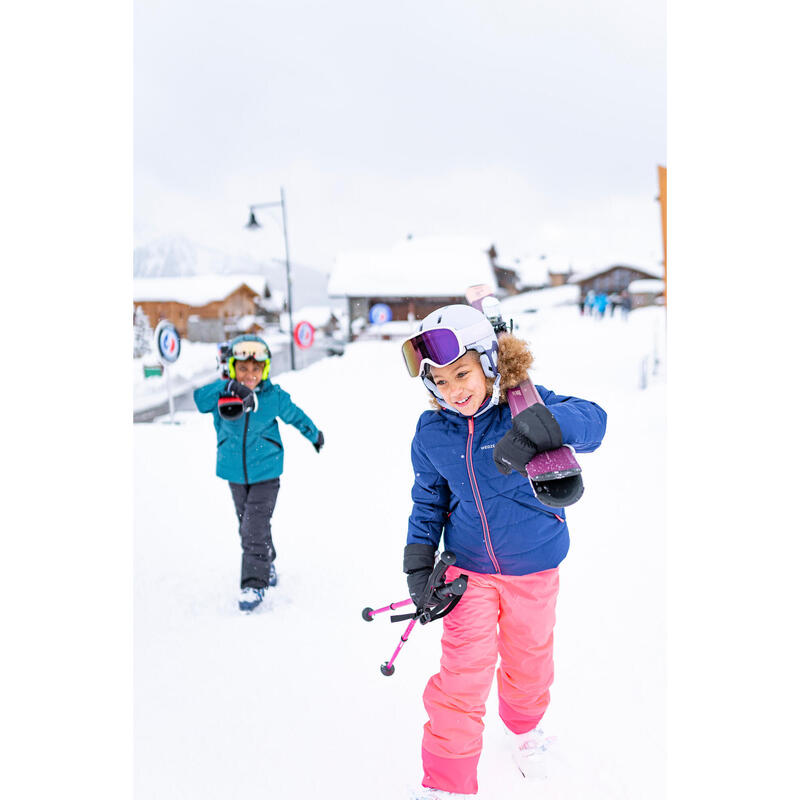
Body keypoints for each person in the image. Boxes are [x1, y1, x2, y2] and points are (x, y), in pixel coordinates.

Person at [399, 305, 607, 799]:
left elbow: (595, 421)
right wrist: (418, 561)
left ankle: (525, 728)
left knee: (528, 657)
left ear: (490, 363)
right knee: (461, 676)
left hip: (534, 566)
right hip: (466, 571)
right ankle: (447, 784)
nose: (454, 390)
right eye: (441, 382)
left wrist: (545, 425)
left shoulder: (523, 405)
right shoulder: (432, 433)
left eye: (463, 373)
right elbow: (428, 499)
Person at [194, 334, 324, 612]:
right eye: (242, 369)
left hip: (267, 472)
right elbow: (198, 399)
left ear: (264, 369)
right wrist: (226, 386)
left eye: (255, 369)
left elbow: (296, 416)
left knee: (253, 525)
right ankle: (267, 559)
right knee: (249, 525)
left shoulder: (273, 397)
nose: (249, 375)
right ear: (232, 368)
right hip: (234, 473)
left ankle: (254, 583)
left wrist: (314, 435)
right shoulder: (223, 393)